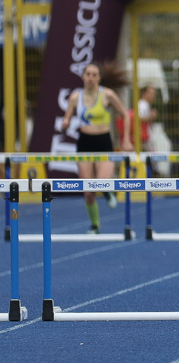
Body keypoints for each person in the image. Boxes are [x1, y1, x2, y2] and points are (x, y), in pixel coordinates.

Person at [60, 62, 134, 234]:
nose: (91, 78)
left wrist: (126, 140)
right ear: (83, 76)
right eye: (88, 74)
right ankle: (95, 225)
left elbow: (125, 115)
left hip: (104, 143)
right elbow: (66, 120)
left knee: (101, 181)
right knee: (88, 192)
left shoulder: (107, 95)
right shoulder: (75, 97)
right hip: (84, 143)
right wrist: (65, 124)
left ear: (99, 78)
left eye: (94, 75)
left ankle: (107, 191)